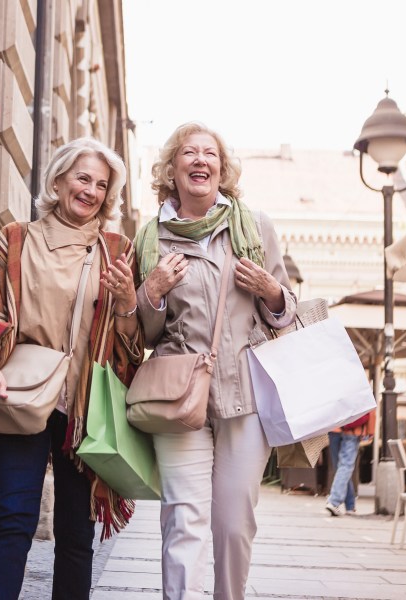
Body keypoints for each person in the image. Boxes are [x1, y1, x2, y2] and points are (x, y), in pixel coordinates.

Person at [0, 137, 143, 600]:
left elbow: (133, 339)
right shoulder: (16, 238)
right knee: (13, 518)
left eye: (101, 185)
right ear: (59, 179)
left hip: (85, 405)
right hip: (20, 393)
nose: (90, 191)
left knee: (76, 531)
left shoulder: (117, 249)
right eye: (83, 178)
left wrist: (127, 302)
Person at [133, 122, 297, 600]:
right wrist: (152, 293)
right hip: (178, 393)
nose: (200, 160)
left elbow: (285, 314)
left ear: (222, 170)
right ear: (172, 168)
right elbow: (143, 334)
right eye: (189, 152)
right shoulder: (151, 238)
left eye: (210, 154)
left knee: (233, 523)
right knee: (184, 518)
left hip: (244, 394)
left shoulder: (253, 225)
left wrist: (271, 291)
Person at [324, 411, 372, 516]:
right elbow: (370, 410)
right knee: (345, 467)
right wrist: (370, 431)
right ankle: (334, 501)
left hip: (335, 428)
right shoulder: (362, 394)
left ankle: (350, 506)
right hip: (352, 431)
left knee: (341, 468)